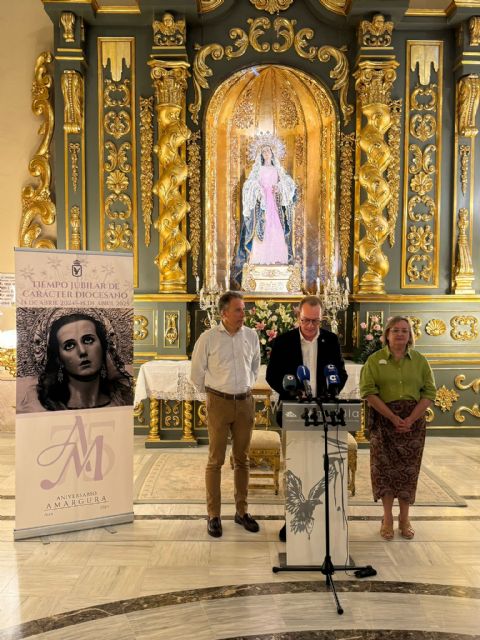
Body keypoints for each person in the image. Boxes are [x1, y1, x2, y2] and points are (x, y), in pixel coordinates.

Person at [266, 295, 348, 541]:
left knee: (322, 468)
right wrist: (290, 390)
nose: (311, 326)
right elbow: (272, 375)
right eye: (306, 320)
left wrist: (331, 391)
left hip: (324, 411)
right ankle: (291, 520)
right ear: (297, 317)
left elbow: (340, 373)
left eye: (315, 321)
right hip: (294, 411)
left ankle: (322, 518)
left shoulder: (330, 341)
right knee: (294, 468)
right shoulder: (283, 342)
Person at [190, 291, 261, 538]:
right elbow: (196, 373)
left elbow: (255, 366)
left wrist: (245, 388)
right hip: (218, 403)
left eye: (243, 309)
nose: (244, 314)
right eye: (239, 310)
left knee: (242, 459)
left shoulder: (251, 336)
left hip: (244, 404)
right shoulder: (208, 338)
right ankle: (214, 515)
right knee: (215, 460)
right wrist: (211, 398)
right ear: (224, 313)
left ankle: (242, 512)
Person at [359, 316, 436, 540]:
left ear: (410, 335)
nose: (400, 334)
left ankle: (405, 519)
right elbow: (368, 391)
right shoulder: (374, 361)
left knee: (408, 471)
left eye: (405, 331)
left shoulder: (420, 361)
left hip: (413, 424)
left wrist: (410, 419)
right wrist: (393, 417)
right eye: (396, 330)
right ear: (387, 334)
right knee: (384, 471)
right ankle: (387, 518)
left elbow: (429, 392)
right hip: (384, 423)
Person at [18, 311, 133, 412]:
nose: (82, 351)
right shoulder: (37, 408)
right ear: (59, 358)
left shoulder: (124, 400)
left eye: (88, 340)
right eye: (69, 346)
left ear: (103, 347)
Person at [234, 136, 296, 284]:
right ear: (260, 154)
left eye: (268, 151)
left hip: (274, 203)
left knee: (277, 230)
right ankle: (259, 262)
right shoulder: (258, 170)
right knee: (262, 230)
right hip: (262, 204)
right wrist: (258, 189)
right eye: (264, 151)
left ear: (273, 153)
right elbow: (248, 185)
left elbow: (289, 185)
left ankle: (277, 261)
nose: (266, 153)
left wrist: (279, 188)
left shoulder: (278, 170)